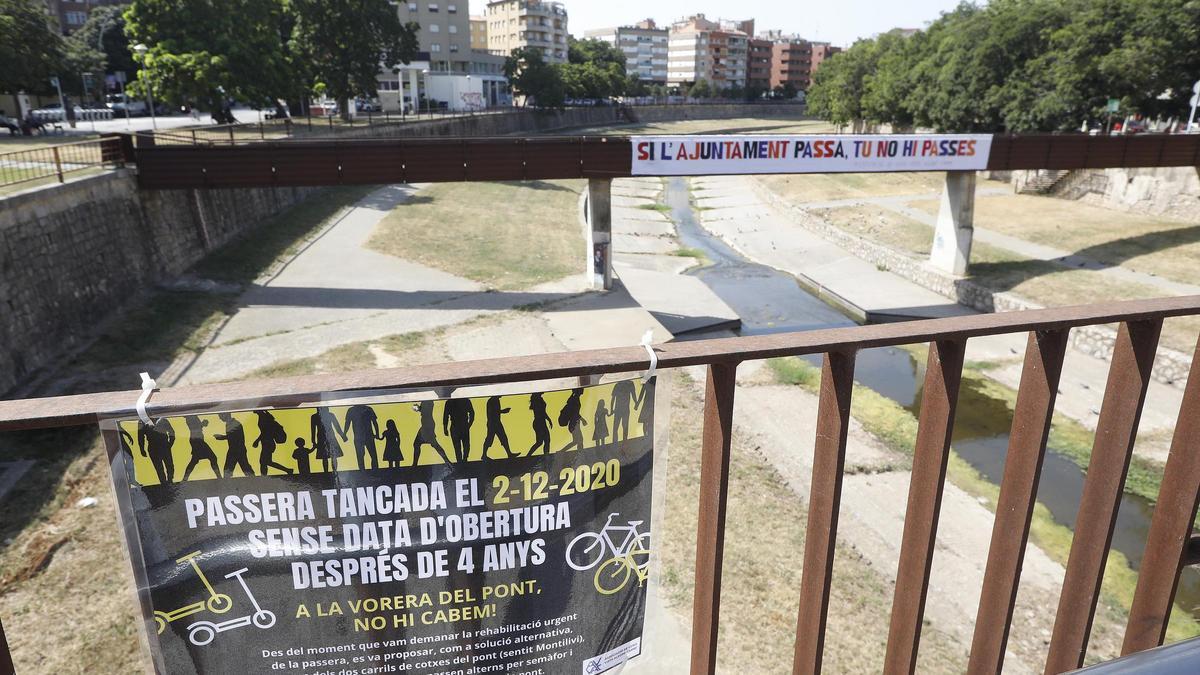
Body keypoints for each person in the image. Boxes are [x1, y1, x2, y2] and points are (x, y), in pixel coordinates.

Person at [252, 410, 292, 476]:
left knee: (263, 462)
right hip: (267, 443)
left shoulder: (263, 418)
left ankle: (264, 477)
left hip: (268, 443)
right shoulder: (263, 417)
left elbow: (265, 432)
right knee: (266, 462)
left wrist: (257, 440)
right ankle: (288, 470)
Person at [214, 412, 254, 478]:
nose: (220, 418)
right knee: (243, 468)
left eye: (221, 415)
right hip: (234, 449)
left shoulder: (235, 423)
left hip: (238, 450)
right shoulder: (229, 424)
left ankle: (255, 481)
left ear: (226, 414)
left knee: (245, 468)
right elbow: (232, 436)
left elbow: (234, 436)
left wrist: (222, 437)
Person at [342, 405, 381, 470]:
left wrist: (344, 434)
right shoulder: (367, 409)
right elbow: (375, 422)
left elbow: (347, 423)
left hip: (363, 436)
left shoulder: (353, 410)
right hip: (362, 436)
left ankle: (369, 471)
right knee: (367, 456)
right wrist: (344, 434)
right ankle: (370, 471)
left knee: (368, 456)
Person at [138, 418, 176, 484]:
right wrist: (142, 449)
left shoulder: (162, 419)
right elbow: (140, 436)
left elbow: (171, 432)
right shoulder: (142, 421)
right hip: (153, 448)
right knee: (159, 468)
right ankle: (163, 483)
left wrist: (170, 444)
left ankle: (170, 480)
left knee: (169, 465)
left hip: (164, 446)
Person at [181, 417, 220, 481]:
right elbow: (194, 428)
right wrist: (202, 424)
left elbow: (197, 427)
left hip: (197, 440)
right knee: (212, 457)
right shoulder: (190, 417)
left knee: (194, 460)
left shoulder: (193, 416)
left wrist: (202, 424)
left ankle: (185, 478)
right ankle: (219, 478)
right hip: (197, 440)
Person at [311, 408, 346, 473]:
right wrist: (313, 441)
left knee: (332, 455)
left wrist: (342, 436)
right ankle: (328, 471)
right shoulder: (315, 416)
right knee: (327, 456)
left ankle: (333, 471)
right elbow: (313, 429)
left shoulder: (329, 415)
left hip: (329, 437)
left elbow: (337, 426)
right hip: (323, 437)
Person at [443, 399, 475, 463]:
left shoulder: (449, 402)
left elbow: (445, 416)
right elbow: (472, 413)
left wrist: (445, 428)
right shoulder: (465, 400)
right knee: (462, 446)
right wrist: (469, 425)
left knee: (462, 446)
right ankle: (462, 461)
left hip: (459, 426)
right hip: (460, 426)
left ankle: (462, 461)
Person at [609, 379, 638, 447]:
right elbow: (613, 398)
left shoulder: (629, 384)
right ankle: (617, 444)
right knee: (617, 427)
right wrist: (611, 409)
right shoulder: (618, 385)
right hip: (619, 409)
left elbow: (633, 395)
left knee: (623, 427)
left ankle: (624, 444)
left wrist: (636, 403)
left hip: (623, 410)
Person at [557, 389, 587, 453]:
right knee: (579, 440)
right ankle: (580, 453)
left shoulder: (574, 398)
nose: (583, 390)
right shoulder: (575, 399)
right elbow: (575, 413)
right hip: (574, 424)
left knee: (577, 441)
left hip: (575, 423)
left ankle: (563, 451)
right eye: (581, 389)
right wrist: (583, 420)